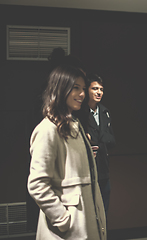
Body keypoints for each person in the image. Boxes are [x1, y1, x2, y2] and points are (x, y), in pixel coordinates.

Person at [27, 65, 106, 240]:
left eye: (83, 89)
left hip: (85, 224)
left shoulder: (74, 124)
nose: (82, 94)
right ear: (61, 89)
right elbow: (37, 185)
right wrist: (63, 220)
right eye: (75, 88)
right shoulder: (48, 129)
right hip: (67, 231)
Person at [86, 73, 116, 215]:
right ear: (87, 90)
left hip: (103, 166)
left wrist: (95, 139)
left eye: (101, 89)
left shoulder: (104, 111)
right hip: (88, 170)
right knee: (91, 213)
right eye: (95, 89)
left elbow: (111, 139)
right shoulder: (81, 113)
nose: (99, 92)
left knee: (104, 211)